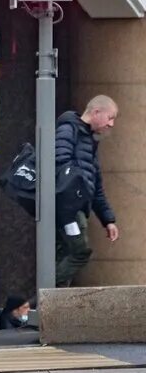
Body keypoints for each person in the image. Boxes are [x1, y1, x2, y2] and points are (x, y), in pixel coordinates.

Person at [55, 96, 119, 287]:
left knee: (66, 254)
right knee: (79, 253)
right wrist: (76, 193)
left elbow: (96, 186)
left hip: (76, 209)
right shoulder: (68, 129)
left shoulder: (90, 142)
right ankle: (45, 292)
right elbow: (60, 164)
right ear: (96, 112)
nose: (111, 124)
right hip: (68, 210)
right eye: (110, 117)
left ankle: (53, 300)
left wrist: (108, 220)